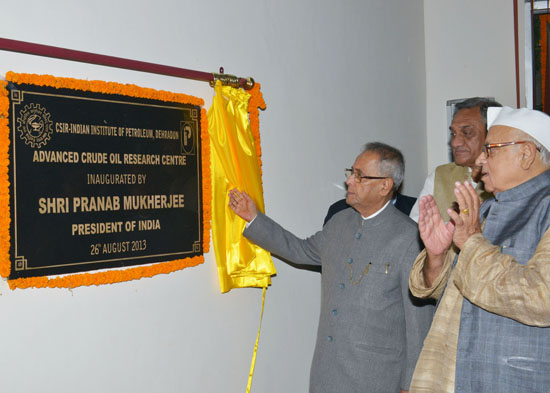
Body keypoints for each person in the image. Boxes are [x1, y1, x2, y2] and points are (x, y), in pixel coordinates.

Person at [229, 142, 434, 393]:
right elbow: (300, 250)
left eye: (360, 176)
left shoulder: (409, 238)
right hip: (327, 375)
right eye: (351, 172)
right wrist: (254, 218)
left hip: (377, 379)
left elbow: (418, 325)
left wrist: (410, 386)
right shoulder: (339, 223)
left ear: (385, 185)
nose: (349, 181)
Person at [408, 107, 550, 393]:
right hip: (453, 375)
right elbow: (445, 289)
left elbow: (542, 297)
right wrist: (435, 257)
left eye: (491, 150)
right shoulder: (484, 209)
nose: (480, 159)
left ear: (526, 154)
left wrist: (472, 242)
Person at [409, 97, 502, 222]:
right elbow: (416, 227)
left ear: (492, 134)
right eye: (453, 134)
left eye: (467, 132)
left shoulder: (510, 178)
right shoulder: (440, 176)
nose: (455, 143)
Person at [323, 192, 416, 226]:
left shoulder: (418, 209)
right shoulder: (338, 210)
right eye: (353, 173)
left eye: (360, 175)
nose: (350, 180)